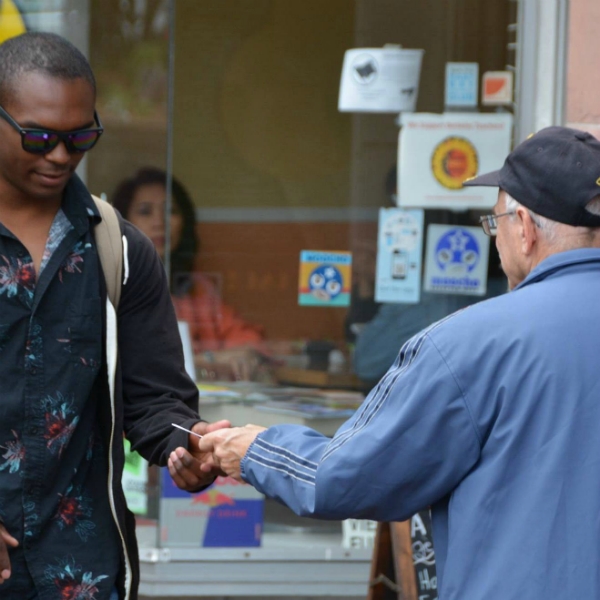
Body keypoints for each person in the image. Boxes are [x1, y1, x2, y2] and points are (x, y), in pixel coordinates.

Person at [199, 127, 600, 600]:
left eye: (493, 225)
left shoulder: (470, 344)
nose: (495, 241)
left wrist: (252, 450)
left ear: (525, 228)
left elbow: (345, 477)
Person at [0, 32, 228, 600]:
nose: (59, 155)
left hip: (83, 568)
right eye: (38, 137)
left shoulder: (118, 249)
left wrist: (188, 445)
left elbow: (154, 399)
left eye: (80, 136)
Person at [112, 167, 267, 381]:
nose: (160, 223)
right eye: (145, 211)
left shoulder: (196, 285)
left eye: (171, 211)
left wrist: (246, 353)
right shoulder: (112, 283)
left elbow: (245, 338)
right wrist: (210, 360)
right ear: (123, 221)